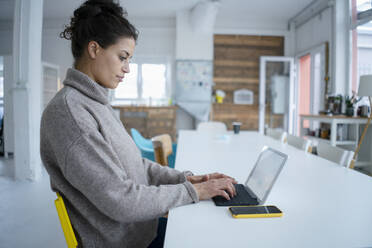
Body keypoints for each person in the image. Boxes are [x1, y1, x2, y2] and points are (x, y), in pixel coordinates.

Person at [40, 0, 237, 247]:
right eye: (122, 57)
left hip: (143, 229)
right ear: (94, 49)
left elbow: (137, 165)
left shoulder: (96, 103)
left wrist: (187, 181)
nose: (127, 69)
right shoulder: (70, 113)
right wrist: (193, 193)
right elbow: (121, 201)